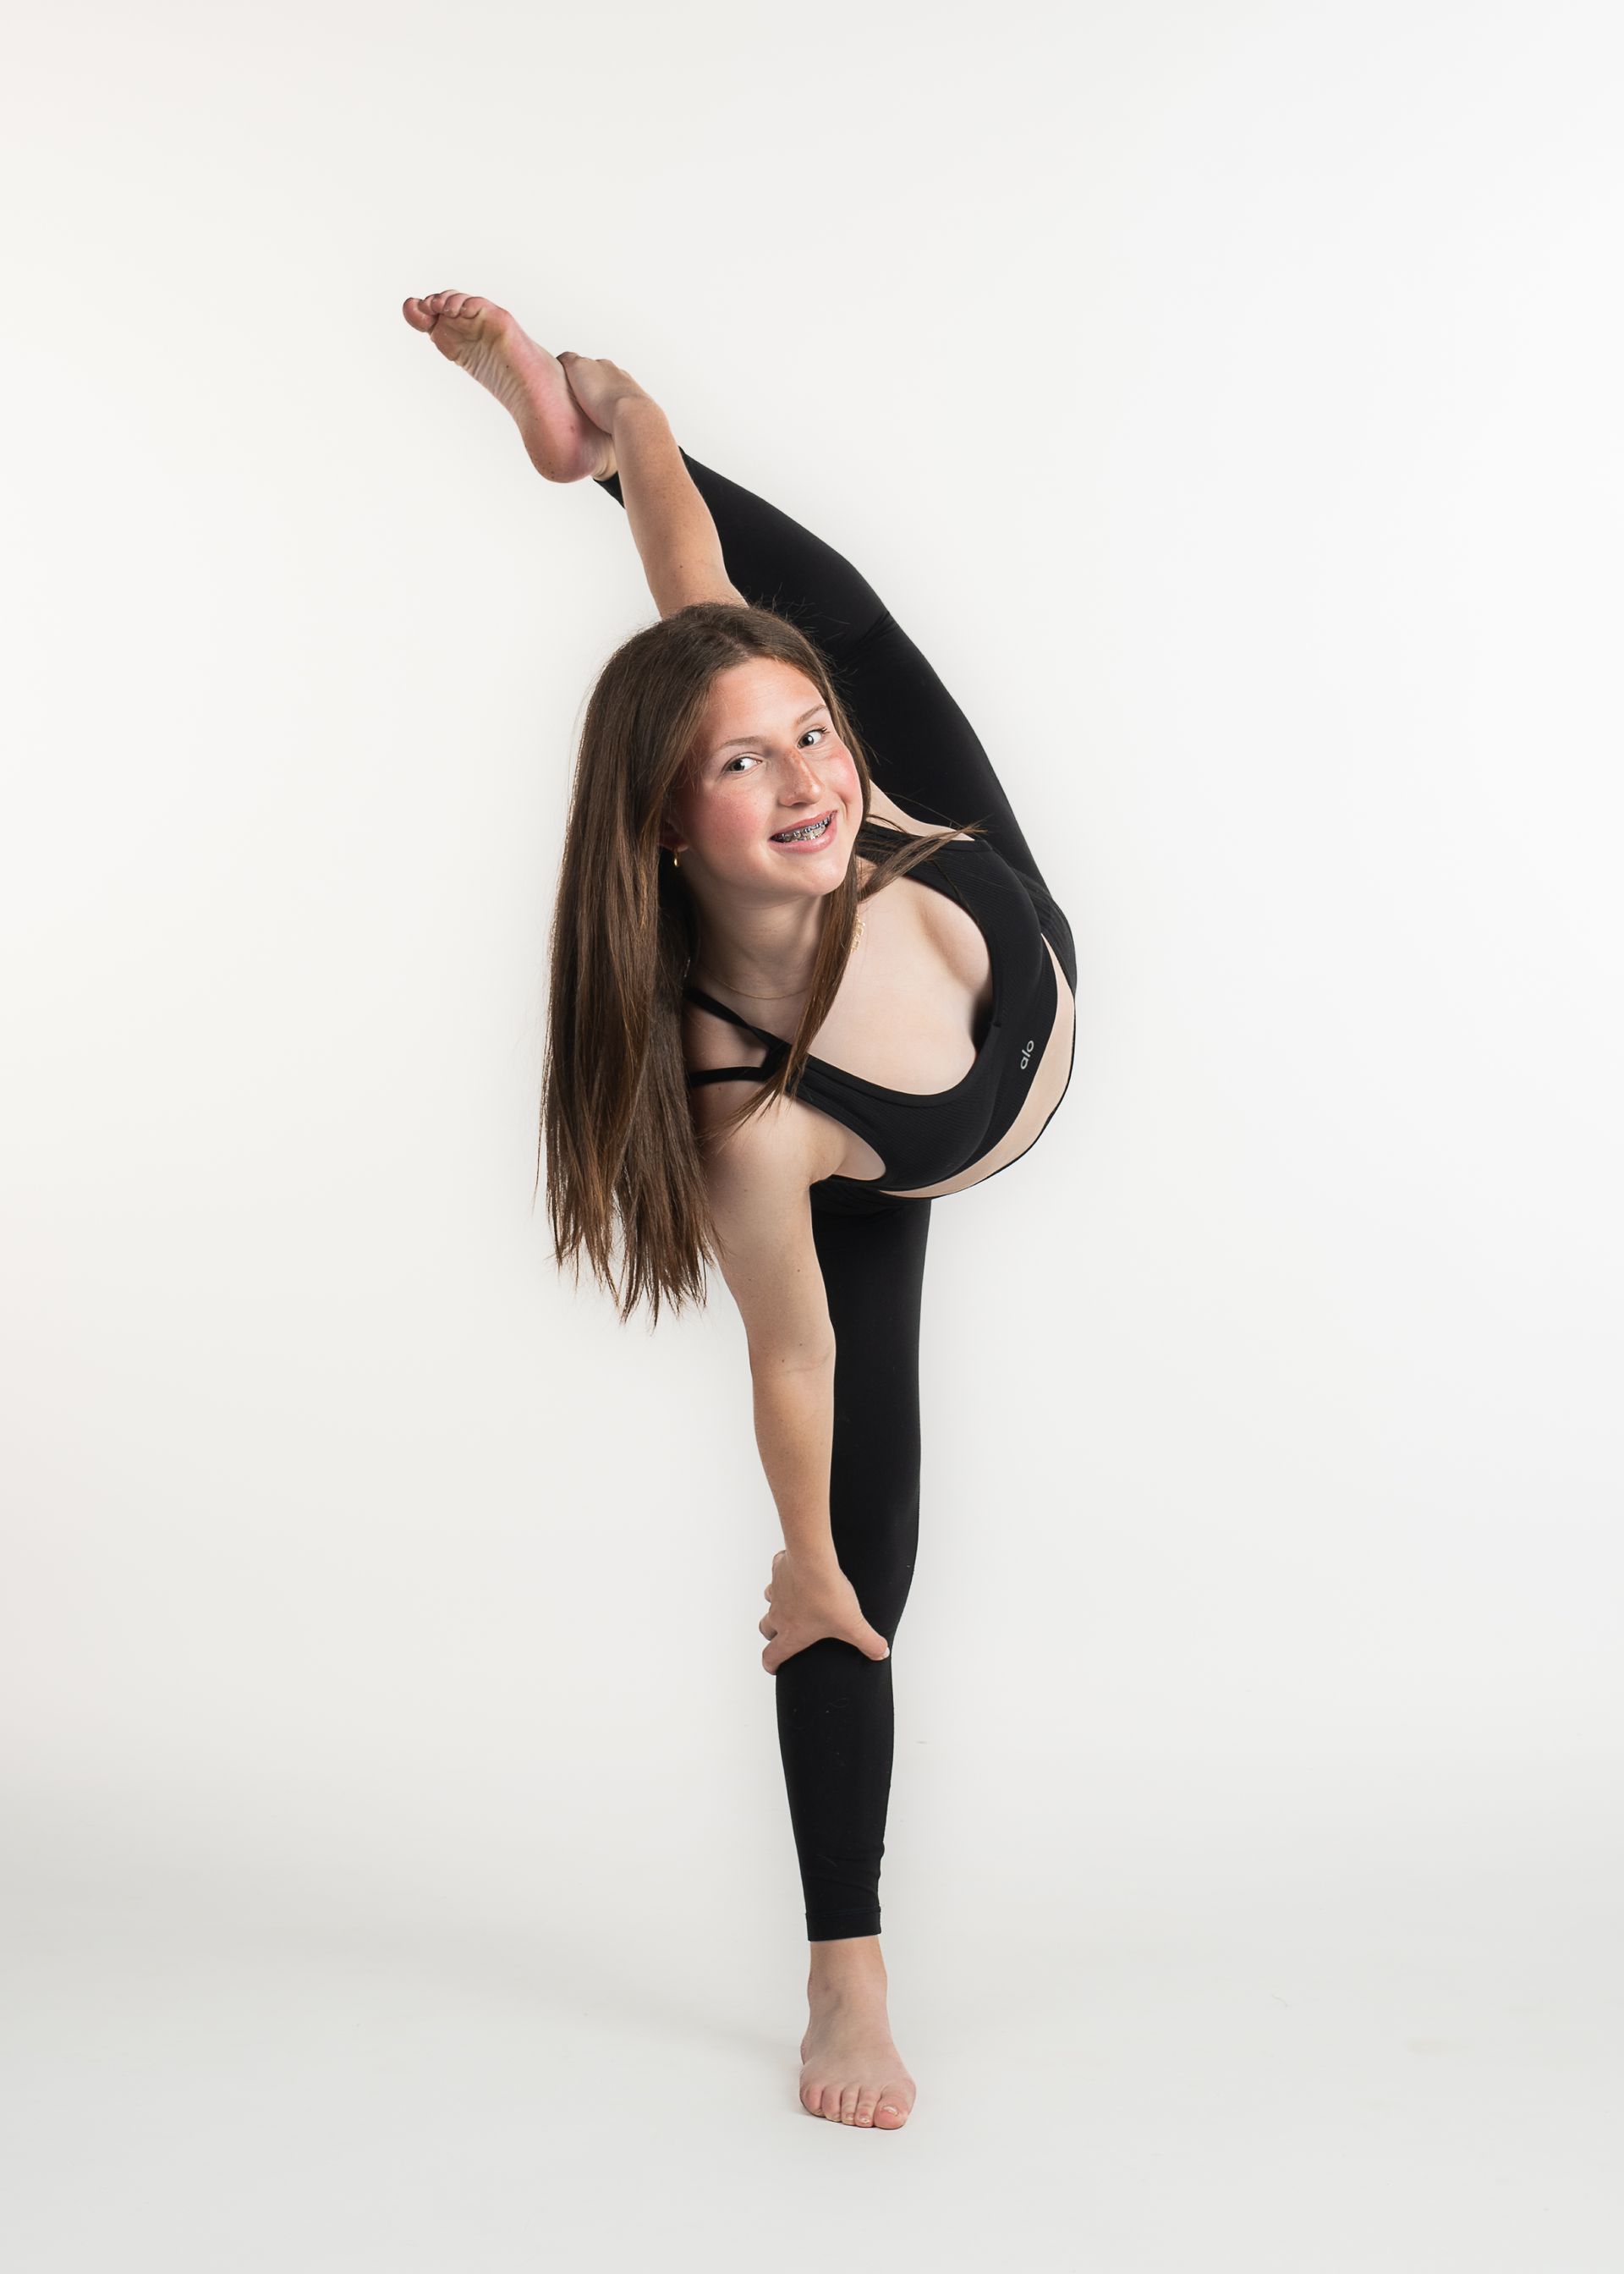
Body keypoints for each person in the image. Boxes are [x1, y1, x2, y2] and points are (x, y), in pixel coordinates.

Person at [403, 289, 1079, 2130]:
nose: (802, 776)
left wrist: (643, 456)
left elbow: (712, 618)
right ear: (661, 832)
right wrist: (805, 1556)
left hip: (1000, 931)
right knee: (856, 1581)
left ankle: (608, 427)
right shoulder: (747, 1124)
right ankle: (843, 1980)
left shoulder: (863, 812)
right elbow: (793, 1357)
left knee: (772, 610)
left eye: (808, 744)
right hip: (876, 1149)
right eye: (743, 765)